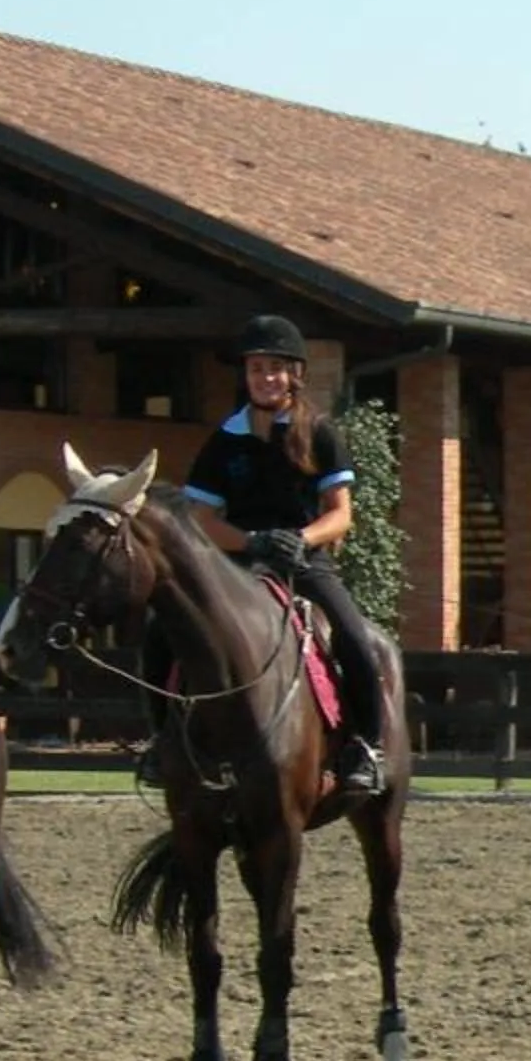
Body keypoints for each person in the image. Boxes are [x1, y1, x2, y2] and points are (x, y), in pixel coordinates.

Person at [174, 315, 388, 796]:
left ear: (295, 374)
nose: (264, 378)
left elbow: (340, 514)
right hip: (239, 562)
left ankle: (367, 746)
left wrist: (303, 539)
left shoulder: (321, 433)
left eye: (274, 368)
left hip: (303, 561)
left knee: (355, 636)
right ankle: (164, 741)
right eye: (255, 369)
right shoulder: (224, 440)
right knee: (164, 630)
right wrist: (249, 541)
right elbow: (201, 518)